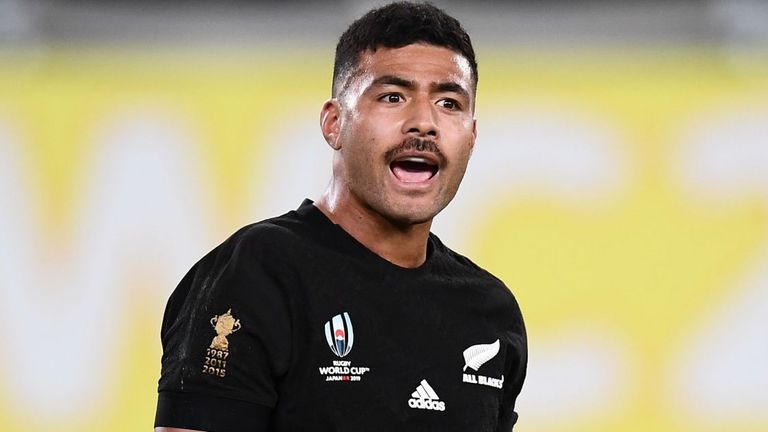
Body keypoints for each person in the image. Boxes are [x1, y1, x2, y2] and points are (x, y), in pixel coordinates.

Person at [154, 2, 527, 431]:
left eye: (448, 103)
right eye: (393, 97)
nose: (423, 122)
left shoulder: (489, 312)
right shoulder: (257, 274)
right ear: (334, 123)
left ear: (472, 136)